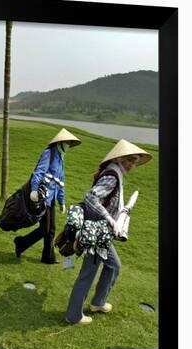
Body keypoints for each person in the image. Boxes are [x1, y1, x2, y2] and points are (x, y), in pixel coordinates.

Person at [65, 139, 152, 324]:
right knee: (88, 274)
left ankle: (98, 302)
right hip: (97, 233)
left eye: (135, 161)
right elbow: (90, 197)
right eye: (130, 160)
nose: (132, 165)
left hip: (103, 233)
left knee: (114, 266)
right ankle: (73, 315)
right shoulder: (112, 176)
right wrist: (110, 219)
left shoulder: (114, 173)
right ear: (120, 159)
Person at [14, 128, 81, 264]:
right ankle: (21, 242)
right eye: (67, 142)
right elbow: (39, 172)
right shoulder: (48, 153)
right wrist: (33, 189)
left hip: (51, 200)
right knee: (45, 229)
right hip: (42, 197)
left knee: (51, 229)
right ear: (60, 142)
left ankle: (47, 257)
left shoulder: (61, 160)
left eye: (69, 143)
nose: (68, 146)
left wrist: (61, 202)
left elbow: (60, 183)